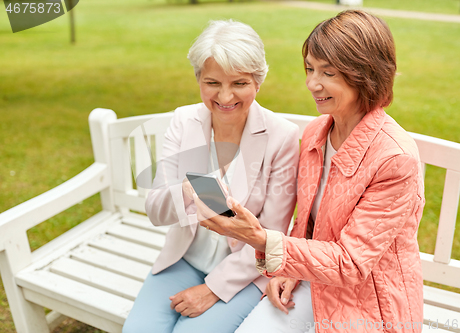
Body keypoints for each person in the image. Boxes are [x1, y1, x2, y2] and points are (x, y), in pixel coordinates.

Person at [195, 10, 425, 333]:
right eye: (310, 69)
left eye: (327, 73)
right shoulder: (318, 132)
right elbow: (309, 226)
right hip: (313, 282)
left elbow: (351, 263)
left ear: (366, 74)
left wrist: (261, 238)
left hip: (369, 304)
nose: (312, 84)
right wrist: (290, 270)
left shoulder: (396, 159)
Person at [122, 20, 300, 333]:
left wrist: (212, 290)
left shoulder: (281, 137)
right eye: (213, 82)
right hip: (183, 260)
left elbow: (272, 236)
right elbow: (156, 211)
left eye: (240, 83)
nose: (226, 96)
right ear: (199, 80)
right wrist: (187, 190)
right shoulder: (184, 120)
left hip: (245, 272)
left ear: (258, 82)